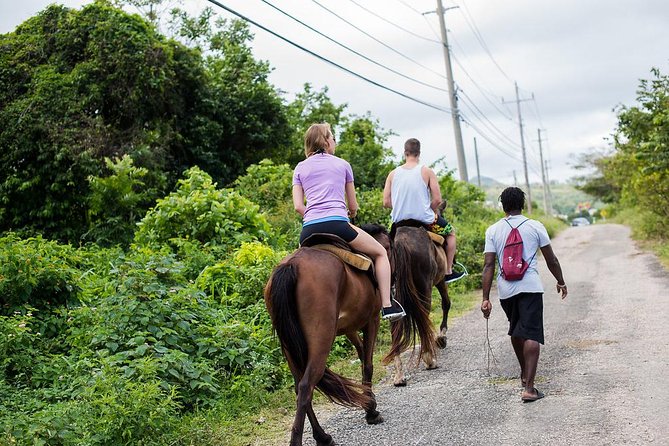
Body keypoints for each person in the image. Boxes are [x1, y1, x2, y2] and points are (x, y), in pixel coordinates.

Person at [293, 123, 405, 321]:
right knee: (380, 253)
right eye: (333, 138)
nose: (334, 142)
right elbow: (352, 205)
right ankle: (387, 305)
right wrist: (350, 211)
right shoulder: (342, 164)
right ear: (326, 141)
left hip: (308, 230)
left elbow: (298, 206)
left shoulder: (300, 168)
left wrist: (312, 214)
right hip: (338, 225)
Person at [480, 186, 568, 402]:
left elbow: (488, 265)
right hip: (530, 286)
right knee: (531, 333)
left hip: (506, 289)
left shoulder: (493, 230)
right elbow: (551, 259)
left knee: (517, 330)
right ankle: (529, 388)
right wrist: (560, 281)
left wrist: (485, 298)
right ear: (522, 204)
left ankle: (523, 373)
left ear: (503, 206)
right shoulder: (535, 226)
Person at [382, 137, 465, 283]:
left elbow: (386, 202)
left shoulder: (392, 174)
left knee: (388, 246)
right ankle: (448, 271)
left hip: (399, 223)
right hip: (424, 219)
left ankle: (388, 280)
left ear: (405, 153)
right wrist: (428, 209)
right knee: (451, 233)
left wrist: (403, 205)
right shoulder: (427, 171)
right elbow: (438, 199)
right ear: (419, 153)